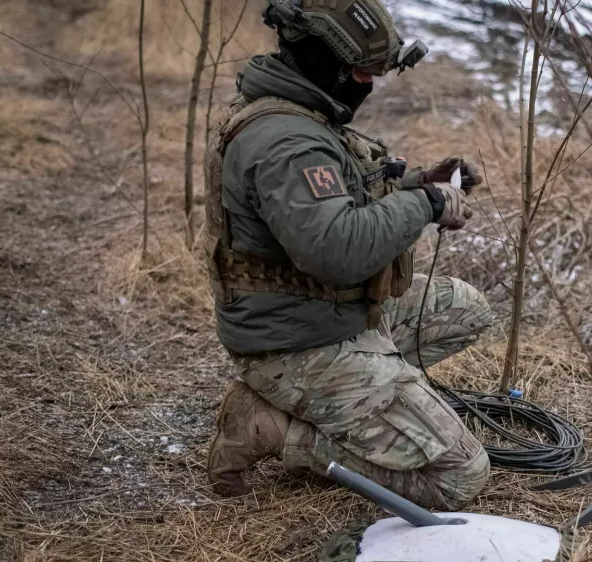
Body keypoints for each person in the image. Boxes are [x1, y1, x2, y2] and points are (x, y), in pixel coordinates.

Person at [201, 0, 493, 511]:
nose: (368, 85)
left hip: (329, 317)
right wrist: (423, 203)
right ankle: (272, 427)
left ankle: (361, 403)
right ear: (323, 59)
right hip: (294, 344)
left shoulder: (301, 113)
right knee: (459, 475)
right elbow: (336, 250)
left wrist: (419, 180)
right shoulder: (288, 142)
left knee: (466, 310)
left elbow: (344, 190)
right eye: (360, 72)